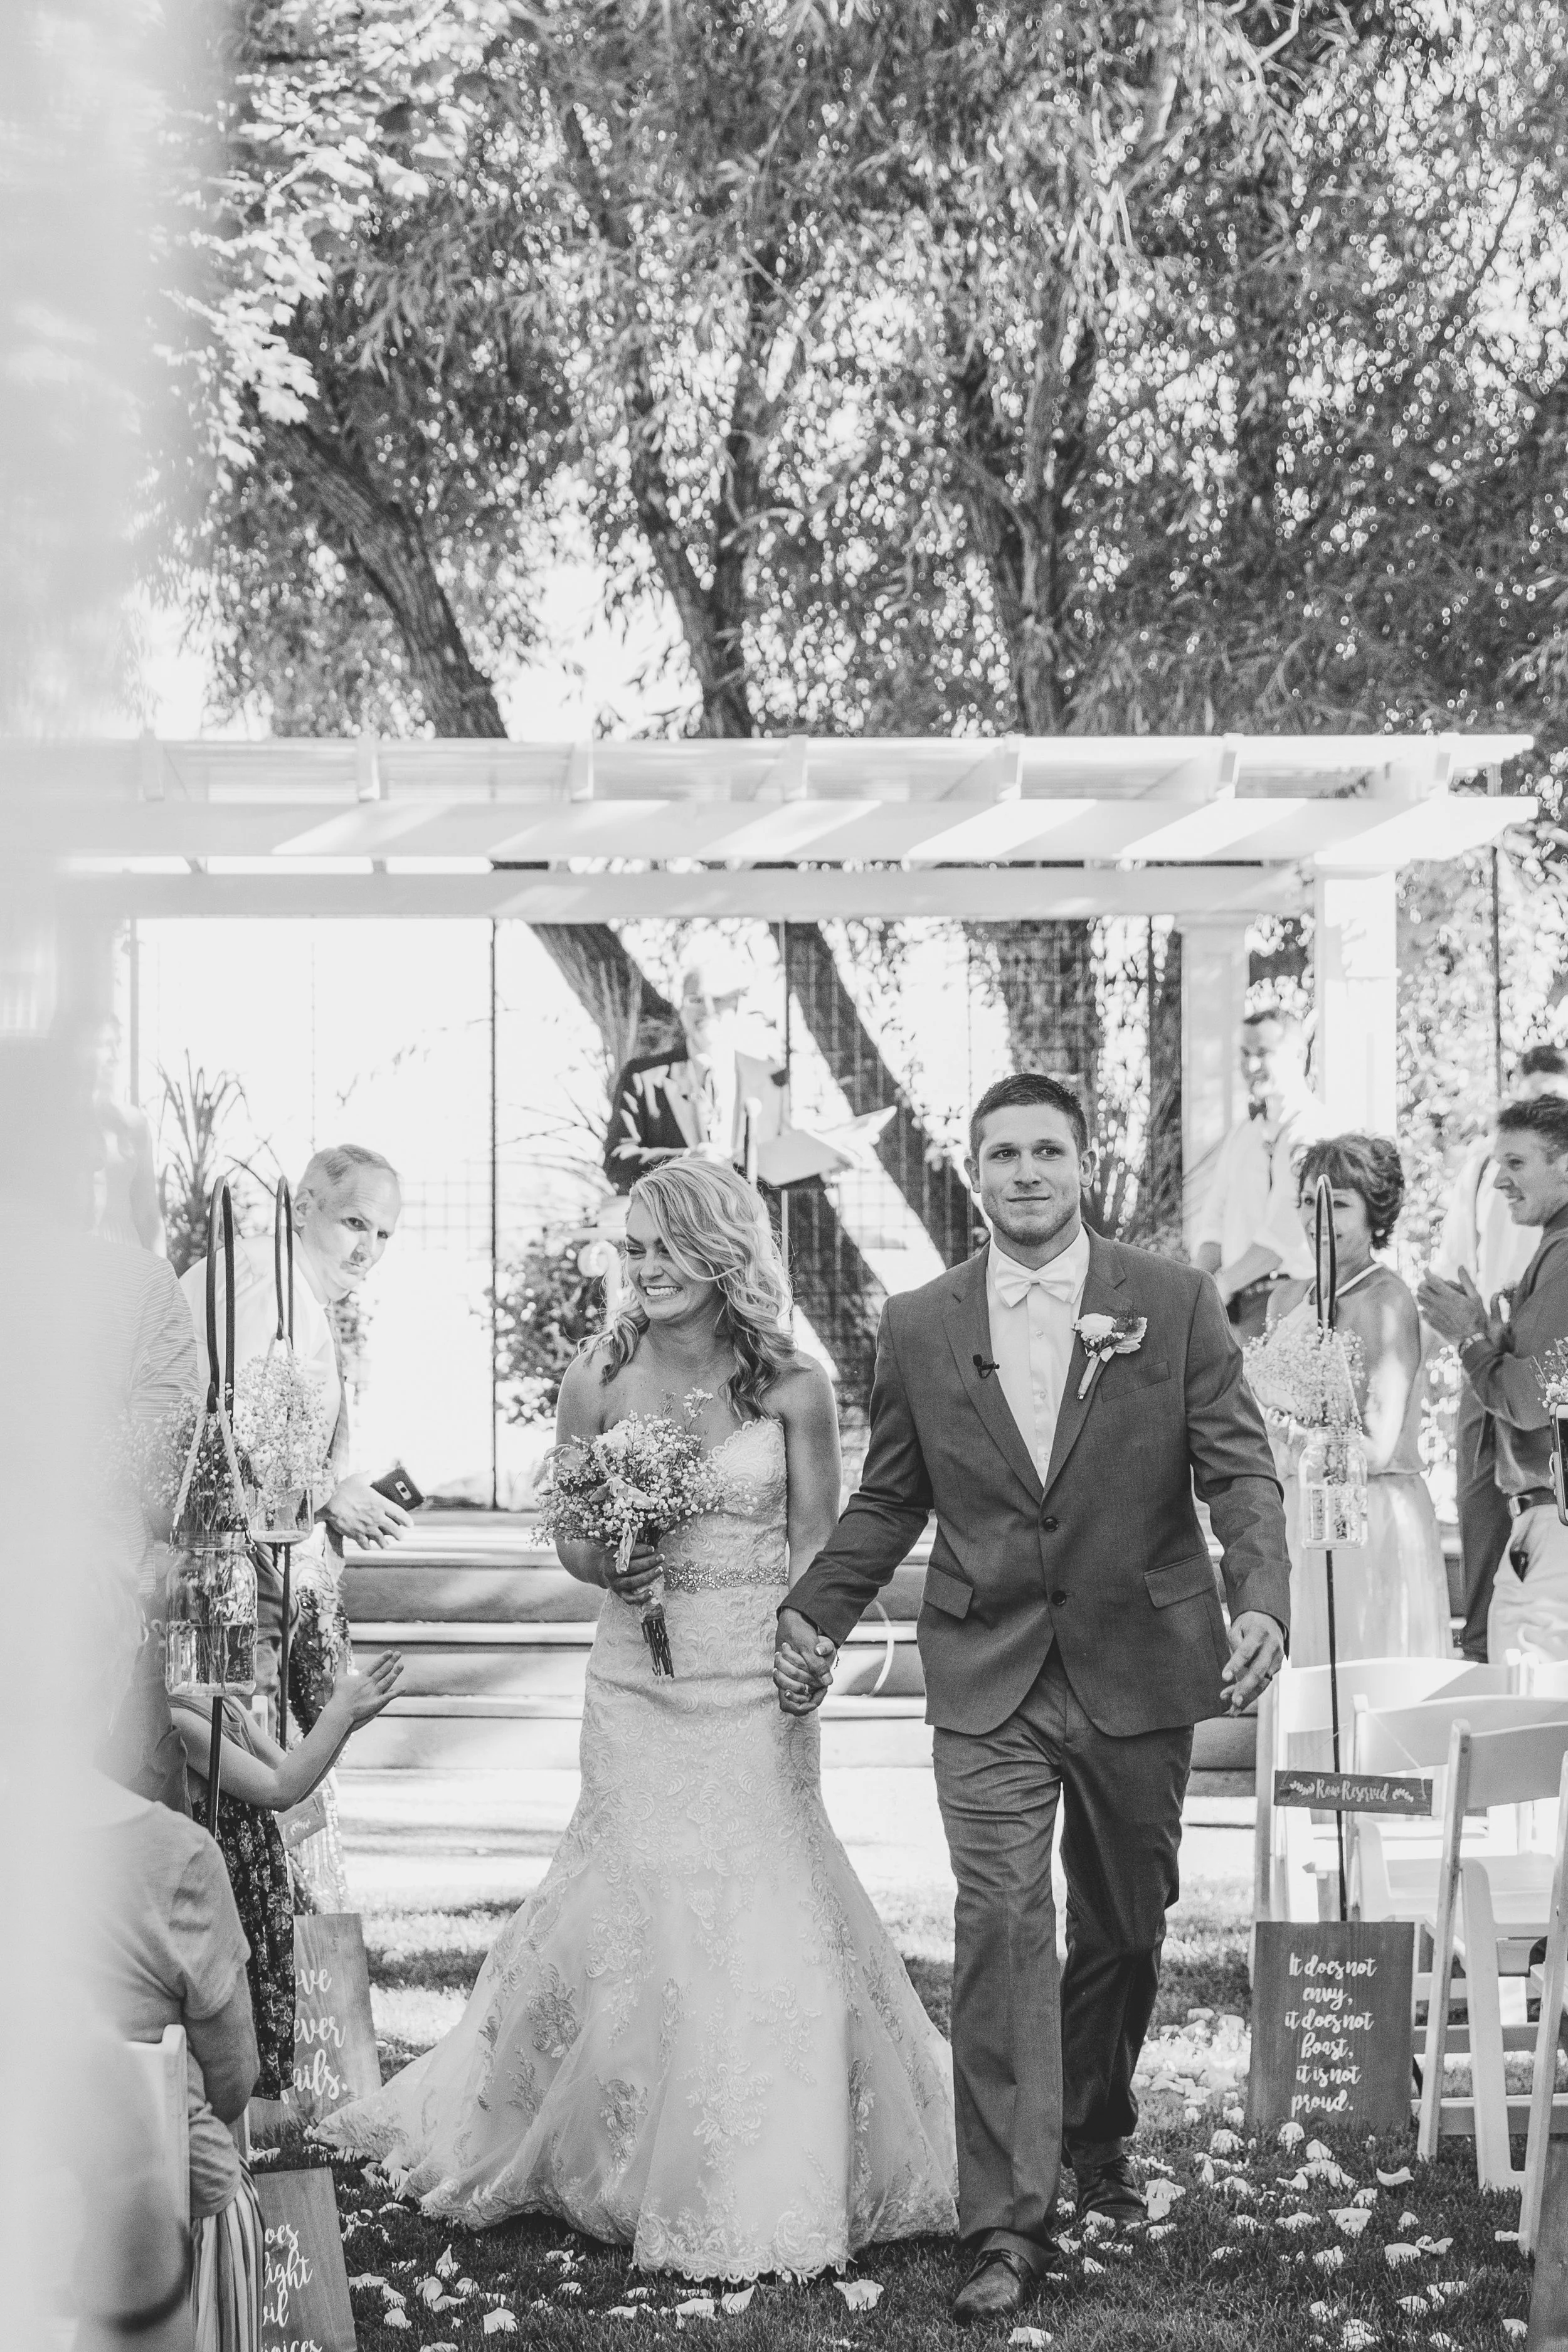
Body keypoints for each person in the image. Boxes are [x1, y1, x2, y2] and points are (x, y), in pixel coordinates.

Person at [319, 1156, 958, 2279]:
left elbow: (820, 1544)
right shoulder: (597, 1376)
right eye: (635, 1250)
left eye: (667, 1248)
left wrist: (810, 1648)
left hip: (756, 1682)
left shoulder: (792, 1386)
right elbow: (569, 1537)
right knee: (641, 1905)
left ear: (722, 1254)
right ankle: (611, 2150)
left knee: (764, 1899)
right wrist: (617, 1554)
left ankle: (769, 2163)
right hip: (635, 1681)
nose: (647, 1270)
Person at [775, 1072, 1290, 2327]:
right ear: (973, 1170)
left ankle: (1093, 2131)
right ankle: (1004, 2221)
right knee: (1001, 1927)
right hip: (986, 1665)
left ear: (1081, 1164)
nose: (1021, 1173)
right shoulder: (917, 1321)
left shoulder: (1168, 1305)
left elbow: (1236, 1468)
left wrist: (1261, 1596)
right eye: (998, 1152)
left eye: (1043, 1152)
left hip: (1138, 1657)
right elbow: (892, 1495)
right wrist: (811, 1609)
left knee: (1123, 1925)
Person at [180, 1143, 407, 1900]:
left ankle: (274, 1950)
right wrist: (323, 1494)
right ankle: (250, 1959)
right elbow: (219, 1436)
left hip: (241, 1568)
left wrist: (334, 1484)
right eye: (354, 1222)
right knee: (228, 1784)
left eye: (382, 1234)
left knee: (250, 1772)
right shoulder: (261, 1289)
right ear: (302, 1205)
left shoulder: (285, 1288)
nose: (367, 1249)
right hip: (214, 1572)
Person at [77, 1565, 263, 2352]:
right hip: (155, 2221)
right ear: (118, 1676)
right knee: (214, 2176)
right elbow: (233, 2079)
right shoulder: (178, 1859)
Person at [1250, 1136, 1451, 1665]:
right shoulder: (1287, 1297)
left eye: (1339, 1203)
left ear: (1374, 1213)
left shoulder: (1387, 1299)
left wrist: (1278, 1429)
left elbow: (1377, 1449)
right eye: (1308, 1201)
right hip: (1296, 1509)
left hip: (1369, 1515)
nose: (1318, 1216)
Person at [168, 1650, 403, 2099]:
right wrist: (340, 1713)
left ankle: (248, 2136)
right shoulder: (182, 1719)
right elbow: (280, 1791)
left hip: (256, 1888)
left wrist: (348, 1719)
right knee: (229, 2039)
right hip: (228, 1888)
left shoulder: (224, 1706)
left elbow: (295, 1777)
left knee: (258, 2015)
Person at [1431, 1044, 1568, 1658]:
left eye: (1515, 1162)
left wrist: (1469, 1337)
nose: (1498, 1179)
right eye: (1496, 1162)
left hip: (1553, 1523)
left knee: (1532, 1714)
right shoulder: (1550, 1246)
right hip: (1534, 1511)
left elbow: (1530, 1400)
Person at [1193, 1005, 1328, 1338]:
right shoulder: (1243, 1134)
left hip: (1291, 1302)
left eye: (1263, 1053)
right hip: (1232, 1306)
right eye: (1244, 1054)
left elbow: (1287, 1230)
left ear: (1298, 1054)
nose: (1251, 1066)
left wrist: (1219, 1285)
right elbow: (1215, 1220)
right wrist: (1194, 1295)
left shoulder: (1313, 1131)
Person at [604, 952, 787, 1193]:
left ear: (738, 1004)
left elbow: (784, 1167)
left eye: (719, 999)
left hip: (751, 1225)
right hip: (674, 1225)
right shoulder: (642, 1078)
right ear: (681, 1008)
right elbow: (617, 1162)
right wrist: (687, 1160)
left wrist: (823, 1170)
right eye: (696, 1000)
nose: (708, 1010)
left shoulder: (772, 1079)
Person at [56, 1004, 166, 1252]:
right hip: (75, 1262)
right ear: (80, 1049)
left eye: (119, 1044)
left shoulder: (134, 1124)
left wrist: (162, 1274)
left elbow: (149, 1214)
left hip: (127, 1257)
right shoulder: (57, 1121)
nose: (116, 1055)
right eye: (106, 1044)